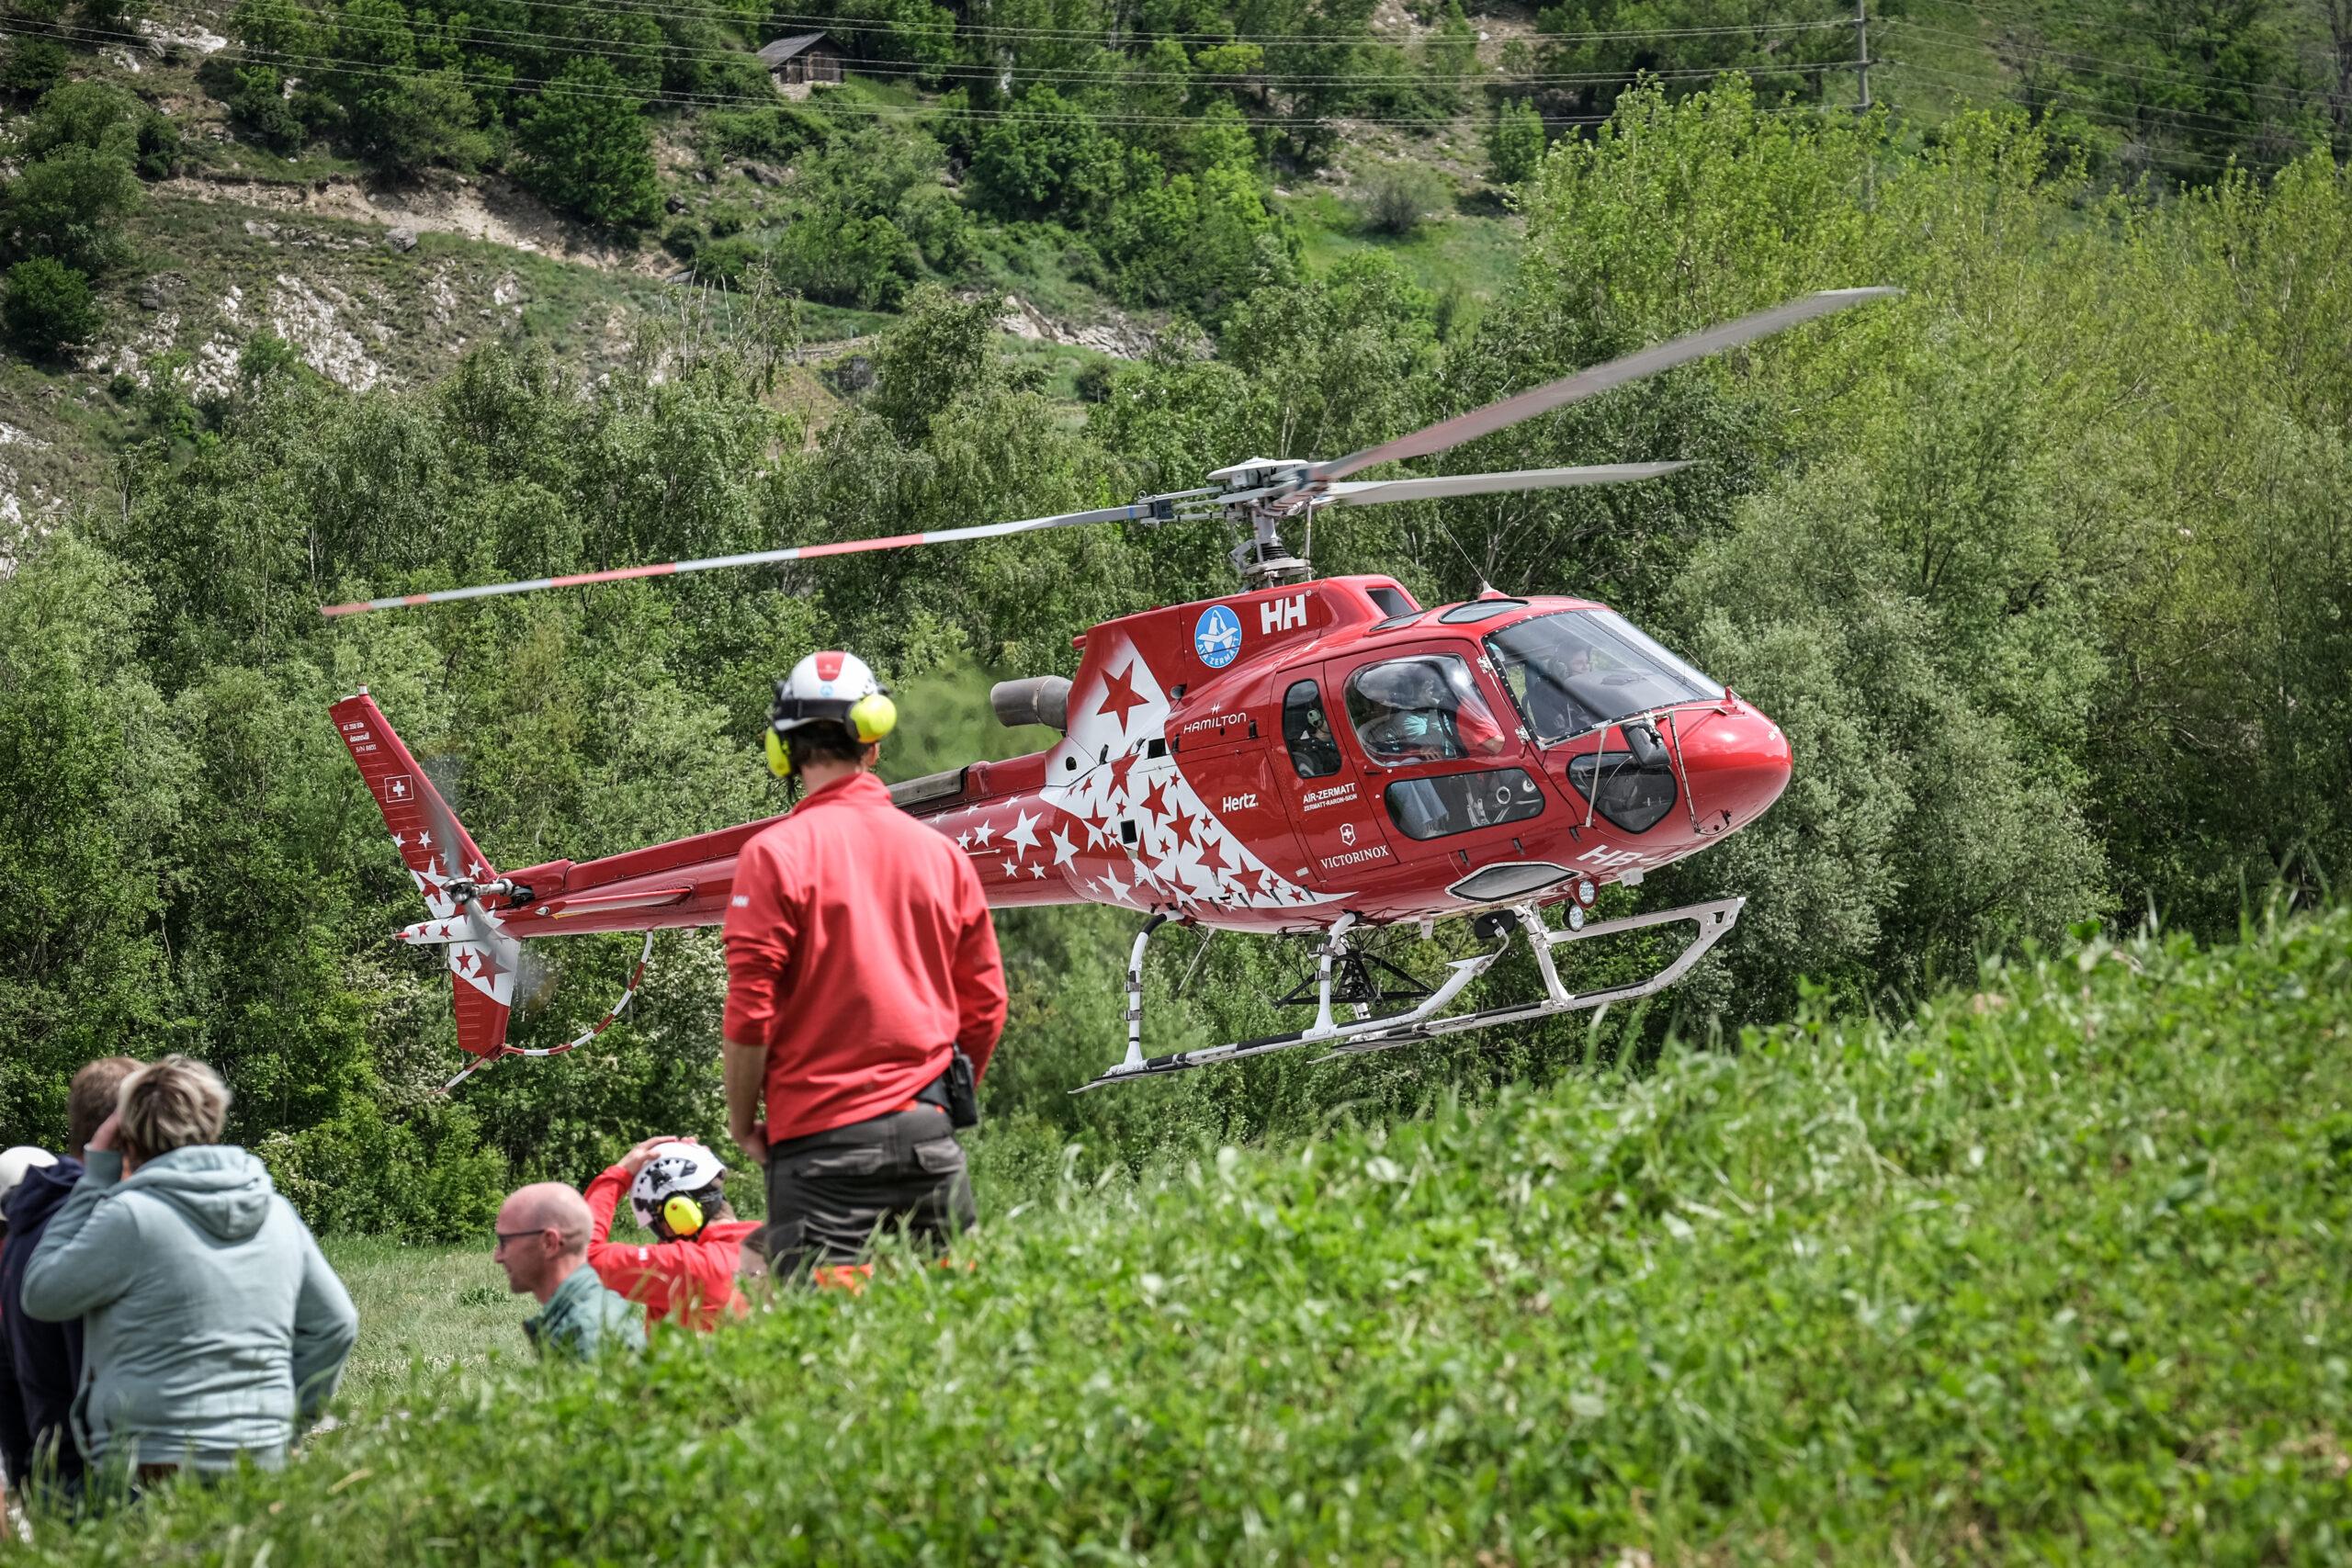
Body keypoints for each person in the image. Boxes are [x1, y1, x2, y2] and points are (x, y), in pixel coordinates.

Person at [722, 650, 1007, 1286]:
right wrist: (937, 1098)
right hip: (928, 1140)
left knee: (829, 1353)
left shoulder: (772, 857)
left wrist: (743, 1121)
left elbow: (750, 1015)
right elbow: (986, 1005)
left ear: (784, 751)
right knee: (959, 1333)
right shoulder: (941, 855)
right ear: (872, 744)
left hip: (820, 1153)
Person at [20, 1056, 357, 1482]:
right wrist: (290, 1420)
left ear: (126, 1133)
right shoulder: (275, 1211)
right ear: (214, 1119)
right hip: (261, 1453)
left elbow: (41, 1293)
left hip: (153, 1454)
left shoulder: (132, 1217)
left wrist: (95, 1176)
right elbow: (337, 1324)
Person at [1, 1056, 137, 1503]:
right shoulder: (102, 1225)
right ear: (124, 1129)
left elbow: (9, 1372)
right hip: (107, 1477)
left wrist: (25, 1476)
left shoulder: (28, 1227)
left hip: (51, 1472)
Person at [582, 1137, 759, 1331]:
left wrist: (616, 1177)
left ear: (676, 1212)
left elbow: (582, 1259)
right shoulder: (775, 1242)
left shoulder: (688, 1265)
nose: (662, 1237)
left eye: (659, 1225)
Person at [493, 1182, 645, 1360]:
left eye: (504, 1241)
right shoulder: (585, 1314)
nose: (498, 1256)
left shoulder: (587, 1331)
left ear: (549, 1243)